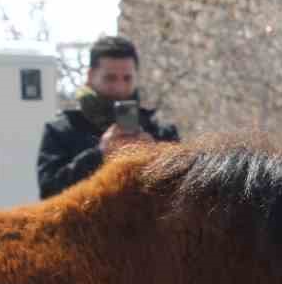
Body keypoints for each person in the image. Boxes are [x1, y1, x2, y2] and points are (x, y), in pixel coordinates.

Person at [36, 35, 179, 199]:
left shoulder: (160, 131)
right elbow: (49, 193)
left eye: (127, 78)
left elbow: (180, 196)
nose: (119, 87)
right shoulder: (61, 131)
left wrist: (155, 155)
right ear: (90, 76)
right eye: (110, 78)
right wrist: (100, 154)